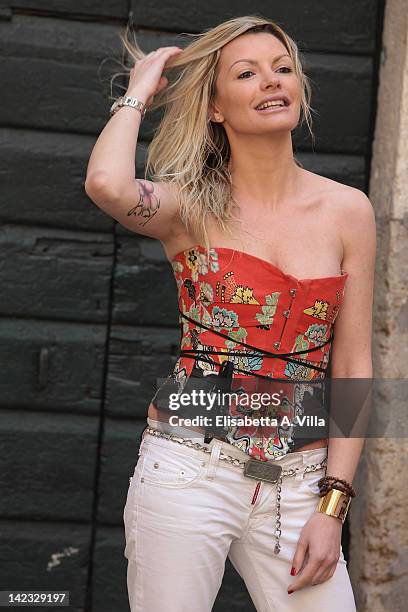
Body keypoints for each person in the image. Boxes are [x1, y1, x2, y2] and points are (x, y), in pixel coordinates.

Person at [85, 15, 375, 612]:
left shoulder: (348, 211)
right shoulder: (189, 208)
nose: (272, 81)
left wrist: (332, 504)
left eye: (283, 68)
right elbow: (108, 184)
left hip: (297, 489)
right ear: (216, 107)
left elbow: (351, 361)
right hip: (189, 470)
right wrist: (138, 92)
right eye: (247, 73)